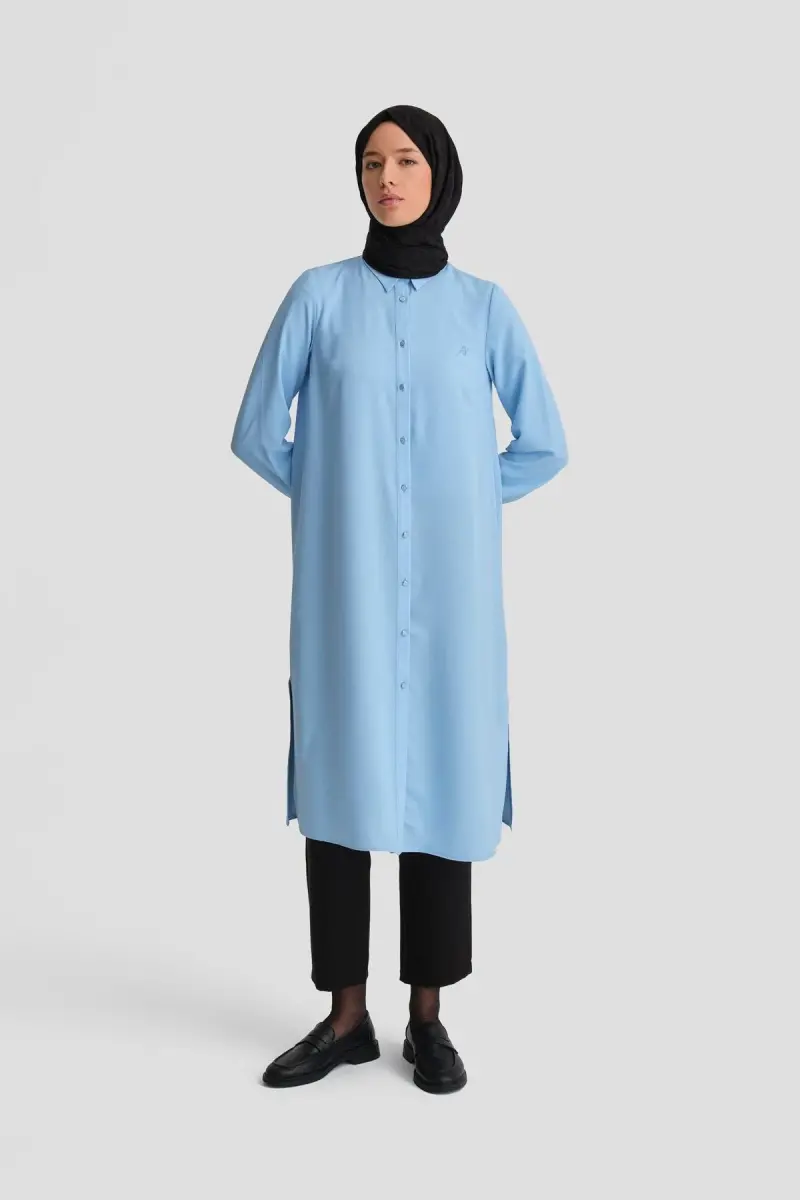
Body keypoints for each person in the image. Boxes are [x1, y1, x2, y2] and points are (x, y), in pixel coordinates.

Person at [230, 104, 568, 1093]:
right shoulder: (318, 298)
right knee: (339, 788)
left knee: (444, 785)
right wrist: (339, 497)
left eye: (406, 160)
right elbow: (256, 432)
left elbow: (543, 443)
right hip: (346, 589)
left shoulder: (484, 309)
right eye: (372, 162)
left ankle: (427, 1017)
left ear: (439, 175)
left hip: (454, 600)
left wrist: (460, 500)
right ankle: (345, 1018)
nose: (387, 178)